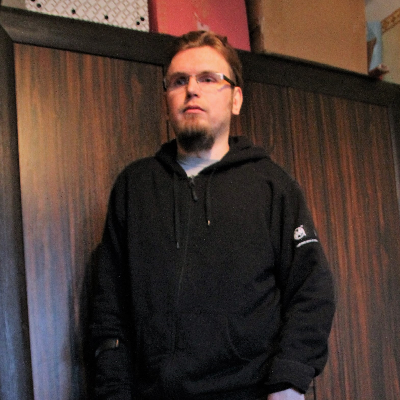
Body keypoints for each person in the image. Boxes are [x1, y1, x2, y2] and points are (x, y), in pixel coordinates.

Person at [91, 30, 335, 400]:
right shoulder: (134, 187)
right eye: (178, 81)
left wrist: (289, 381)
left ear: (236, 99)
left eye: (208, 78)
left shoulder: (273, 185)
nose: (191, 89)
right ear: (167, 99)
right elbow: (109, 305)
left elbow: (312, 290)